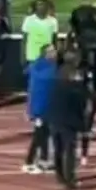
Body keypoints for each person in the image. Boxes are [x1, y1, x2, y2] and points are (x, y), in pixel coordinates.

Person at [50, 59, 90, 190]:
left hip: (55, 122)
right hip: (69, 124)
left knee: (58, 150)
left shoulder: (56, 86)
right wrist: (83, 127)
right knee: (69, 152)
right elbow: (80, 108)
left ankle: (59, 176)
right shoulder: (77, 89)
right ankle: (70, 181)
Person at [22, 44, 58, 174]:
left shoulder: (36, 66)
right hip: (40, 108)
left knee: (44, 133)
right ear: (46, 54)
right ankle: (29, 162)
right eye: (51, 51)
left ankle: (43, 160)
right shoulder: (49, 70)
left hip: (44, 107)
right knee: (39, 135)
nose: (55, 53)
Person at [22, 0, 58, 67]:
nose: (41, 7)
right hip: (32, 57)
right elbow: (24, 40)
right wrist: (23, 58)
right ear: (35, 7)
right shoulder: (28, 20)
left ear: (47, 7)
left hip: (47, 58)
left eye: (43, 5)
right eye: (39, 4)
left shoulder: (53, 21)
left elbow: (55, 40)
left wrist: (55, 57)